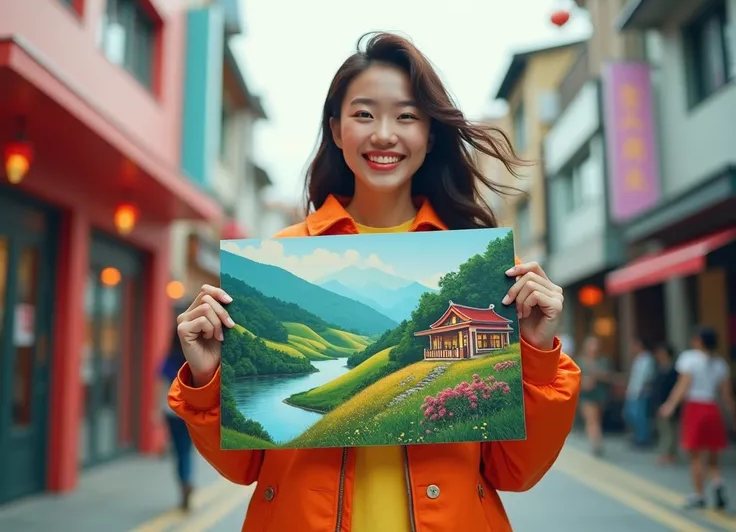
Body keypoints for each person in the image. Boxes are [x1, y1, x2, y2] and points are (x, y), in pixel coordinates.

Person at [168, 32, 581, 531]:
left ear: (430, 134)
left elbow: (516, 471)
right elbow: (242, 467)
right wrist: (209, 378)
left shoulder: (492, 265)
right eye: (364, 114)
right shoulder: (282, 250)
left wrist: (537, 353)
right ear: (336, 129)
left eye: (406, 116)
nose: (384, 134)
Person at [660, 326, 735, 510]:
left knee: (695, 456)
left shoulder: (690, 359)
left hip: (695, 408)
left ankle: (699, 494)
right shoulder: (720, 364)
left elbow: (683, 385)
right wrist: (733, 415)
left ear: (699, 341)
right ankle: (717, 483)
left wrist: (670, 404)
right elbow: (726, 395)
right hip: (712, 409)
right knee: (713, 456)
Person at [159, 324, 195, 511]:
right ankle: (187, 480)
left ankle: (184, 482)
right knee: (186, 450)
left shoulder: (170, 358)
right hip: (190, 412)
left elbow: (161, 386)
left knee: (179, 451)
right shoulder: (192, 358)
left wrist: (154, 411)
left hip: (171, 412)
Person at [577, 336, 611, 456]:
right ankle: (595, 443)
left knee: (597, 419)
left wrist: (597, 374)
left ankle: (596, 439)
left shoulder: (603, 361)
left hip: (599, 394)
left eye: (595, 345)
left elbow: (608, 376)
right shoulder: (580, 361)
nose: (593, 348)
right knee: (591, 419)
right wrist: (584, 382)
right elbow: (574, 378)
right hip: (586, 395)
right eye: (591, 345)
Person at [624, 338, 656, 447]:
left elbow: (647, 377)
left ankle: (643, 439)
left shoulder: (648, 359)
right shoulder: (638, 359)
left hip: (641, 393)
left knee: (641, 417)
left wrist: (642, 390)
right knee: (631, 415)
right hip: (633, 391)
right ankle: (638, 436)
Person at [652, 342, 679, 465]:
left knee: (670, 430)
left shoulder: (673, 371)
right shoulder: (659, 368)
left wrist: (670, 404)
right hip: (659, 403)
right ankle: (666, 453)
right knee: (664, 429)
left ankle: (669, 454)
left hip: (669, 404)